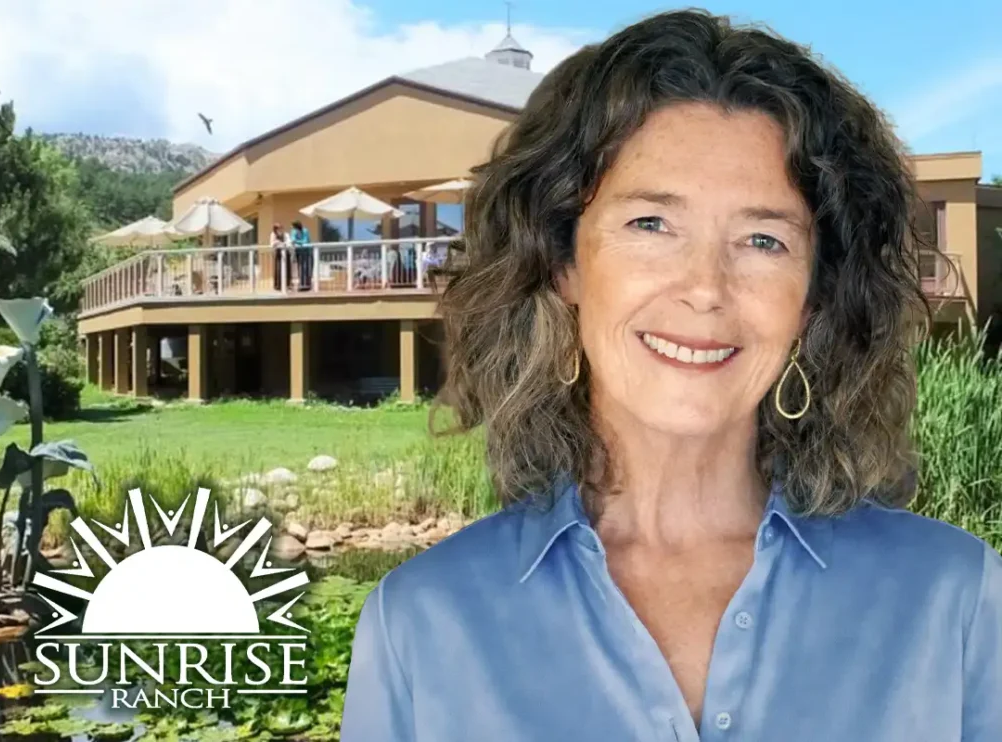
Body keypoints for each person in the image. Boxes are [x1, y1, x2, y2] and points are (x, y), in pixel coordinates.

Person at [340, 9, 1002, 742]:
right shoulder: (421, 623)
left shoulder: (958, 602)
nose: (705, 288)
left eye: (763, 239)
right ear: (563, 263)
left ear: (814, 294)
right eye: (651, 225)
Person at [290, 220, 312, 291]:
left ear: (297, 226)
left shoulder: (305, 231)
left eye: (294, 227)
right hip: (298, 252)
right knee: (300, 268)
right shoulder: (293, 231)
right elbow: (292, 239)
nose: (293, 229)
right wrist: (297, 242)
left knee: (306, 269)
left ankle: (307, 285)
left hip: (306, 252)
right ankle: (301, 285)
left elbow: (305, 241)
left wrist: (296, 241)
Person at [269, 222, 289, 291]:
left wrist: (284, 243)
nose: (280, 229)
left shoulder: (285, 234)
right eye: (278, 228)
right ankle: (278, 285)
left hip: (285, 252)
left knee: (286, 269)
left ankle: (286, 284)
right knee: (278, 269)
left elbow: (287, 242)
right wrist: (277, 242)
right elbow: (272, 244)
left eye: (281, 227)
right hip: (278, 253)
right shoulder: (273, 234)